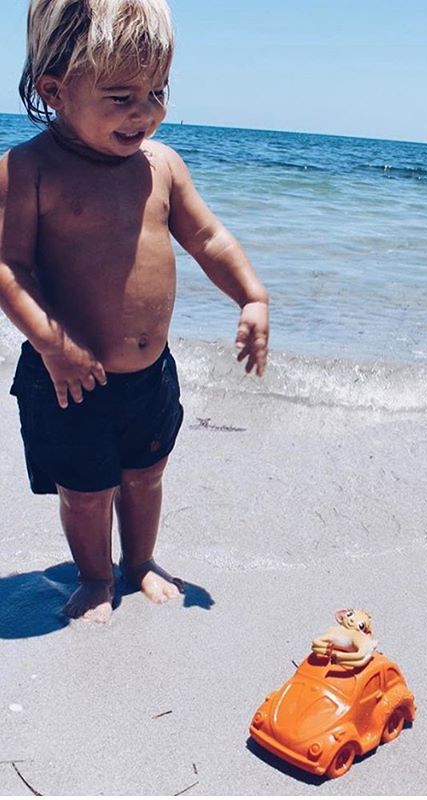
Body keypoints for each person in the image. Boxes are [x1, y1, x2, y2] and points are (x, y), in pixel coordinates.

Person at [0, 0, 269, 624]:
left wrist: (252, 296)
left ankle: (141, 560)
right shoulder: (29, 170)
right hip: (67, 376)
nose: (143, 111)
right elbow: (9, 268)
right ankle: (95, 577)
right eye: (120, 95)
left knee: (146, 475)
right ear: (56, 91)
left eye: (156, 91)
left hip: (149, 376)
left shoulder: (163, 166)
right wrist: (52, 343)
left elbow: (209, 239)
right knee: (86, 493)